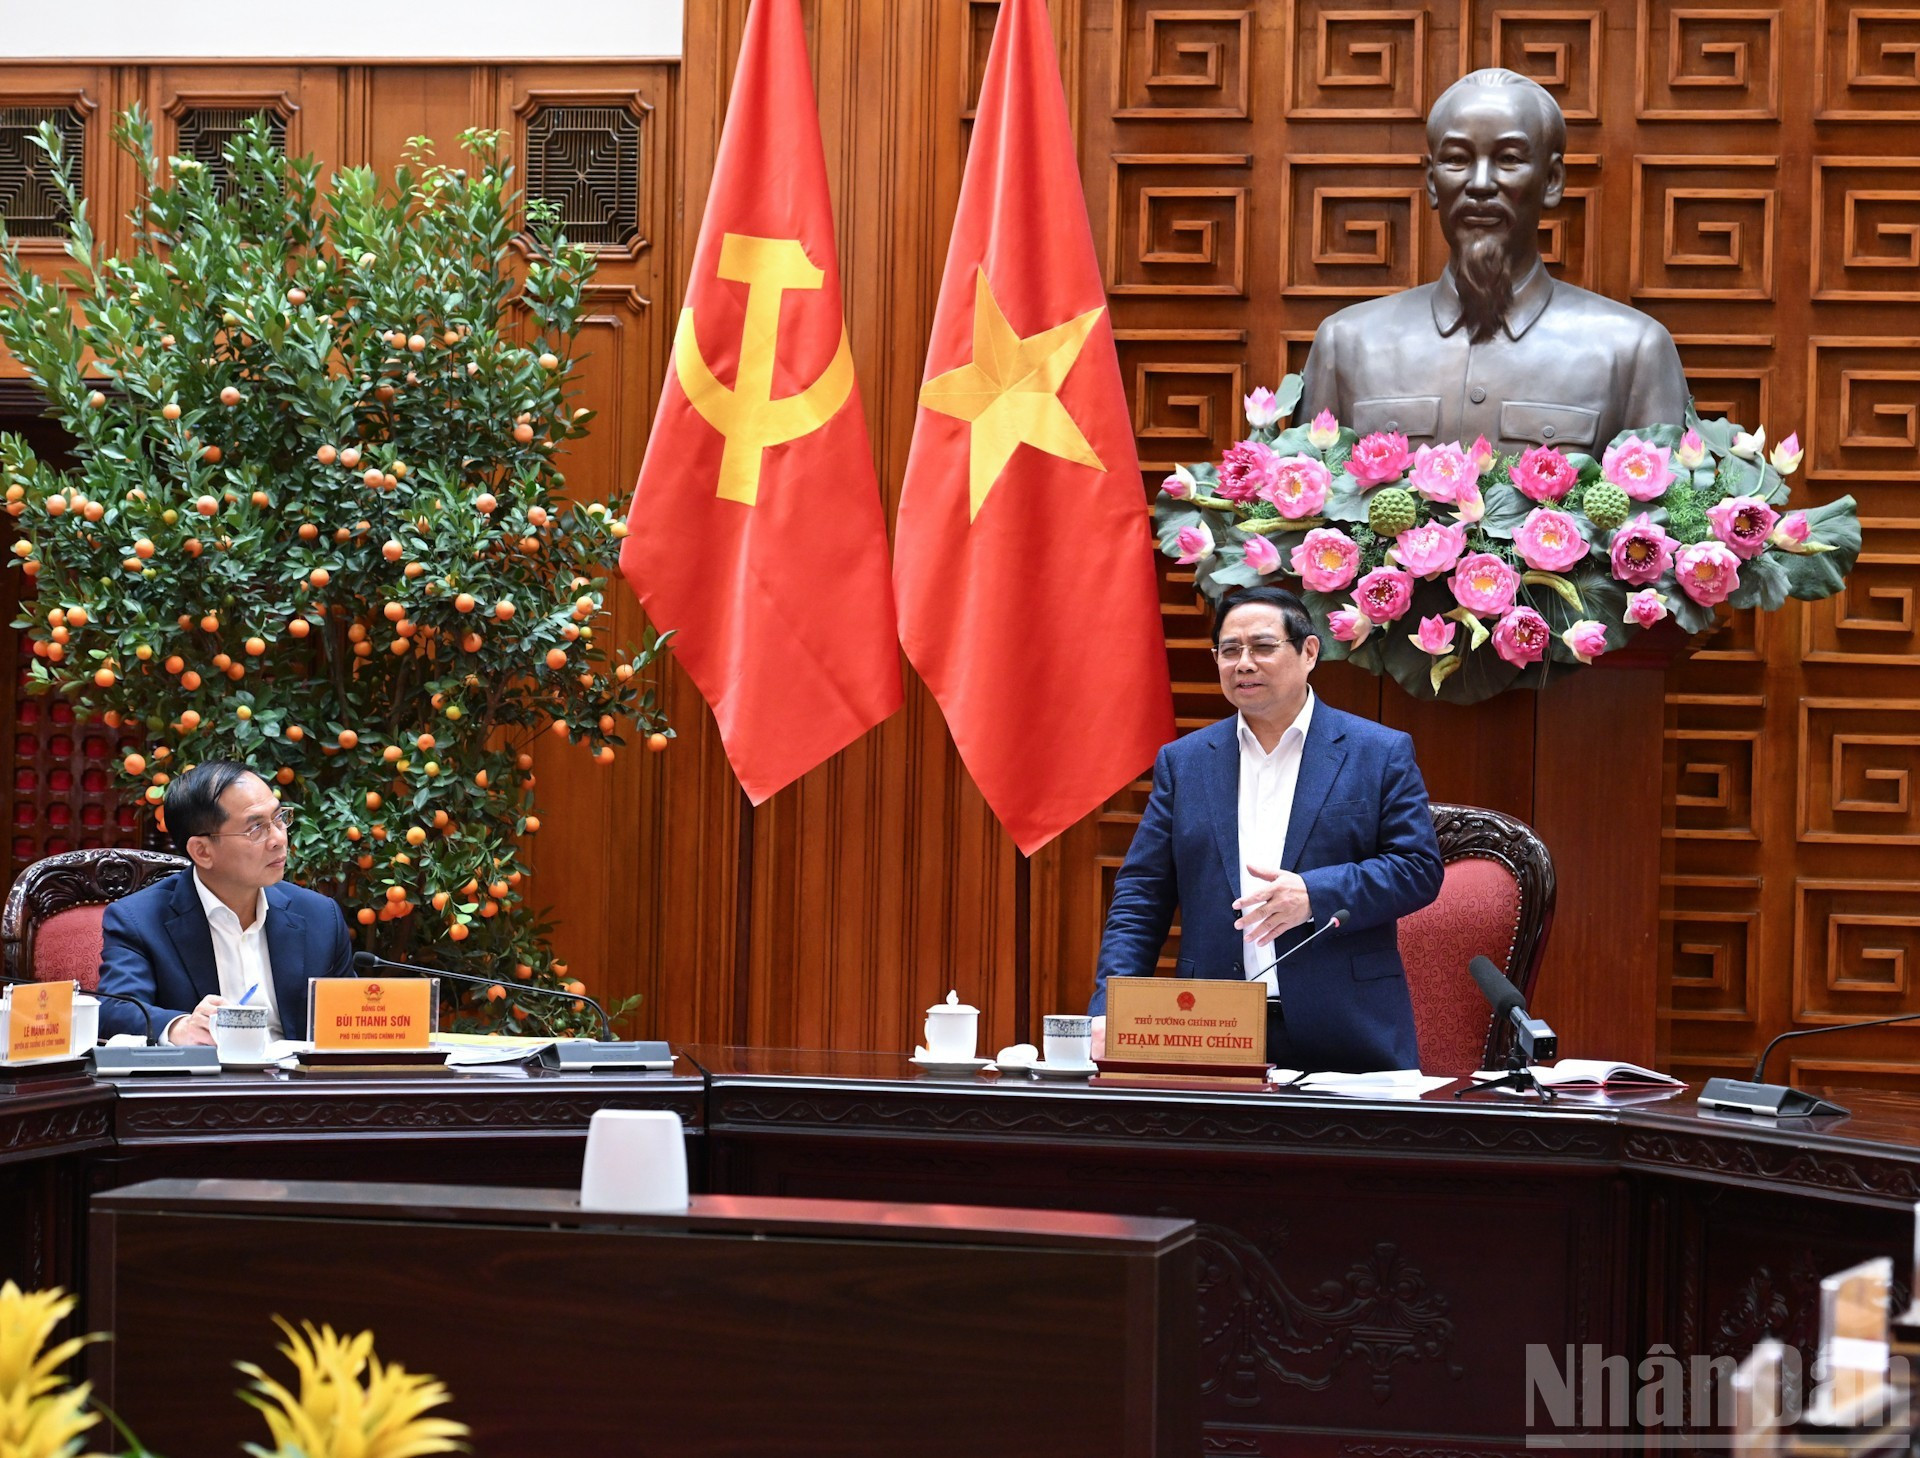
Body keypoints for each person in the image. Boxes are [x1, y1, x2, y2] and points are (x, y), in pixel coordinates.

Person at [1090, 587, 1444, 1072]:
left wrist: (1314, 895)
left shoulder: (1377, 752)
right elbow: (1141, 896)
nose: (1244, 664)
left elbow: (1418, 868)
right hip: (1209, 1028)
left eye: (1262, 647)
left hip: (1349, 1030)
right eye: (1229, 651)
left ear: (1309, 652)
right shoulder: (1185, 763)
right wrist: (1112, 1009)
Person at [1298, 68, 1688, 454]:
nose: (1481, 183)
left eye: (1508, 159)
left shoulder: (1632, 351)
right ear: (1433, 182)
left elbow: (1668, 512)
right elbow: (1296, 505)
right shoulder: (1347, 344)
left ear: (1552, 181)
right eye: (1457, 159)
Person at [97, 761, 353, 1044]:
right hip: (204, 1085)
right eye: (256, 829)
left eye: (279, 818)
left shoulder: (320, 916)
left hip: (296, 1084)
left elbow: (349, 1021)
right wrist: (179, 1027)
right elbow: (114, 1010)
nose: (279, 839)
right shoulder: (140, 920)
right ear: (202, 851)